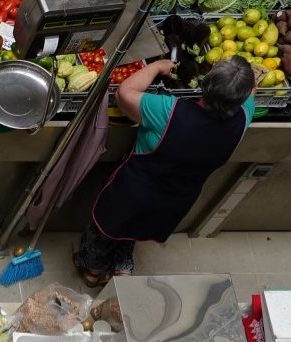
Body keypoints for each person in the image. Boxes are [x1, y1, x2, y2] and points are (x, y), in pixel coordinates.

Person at [74, 56, 256, 287]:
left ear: (205, 85)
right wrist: (243, 79)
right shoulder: (243, 119)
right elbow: (251, 92)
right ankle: (122, 265)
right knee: (137, 226)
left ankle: (93, 269)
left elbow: (124, 93)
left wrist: (157, 66)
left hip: (132, 191)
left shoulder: (169, 112)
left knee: (105, 228)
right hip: (175, 199)